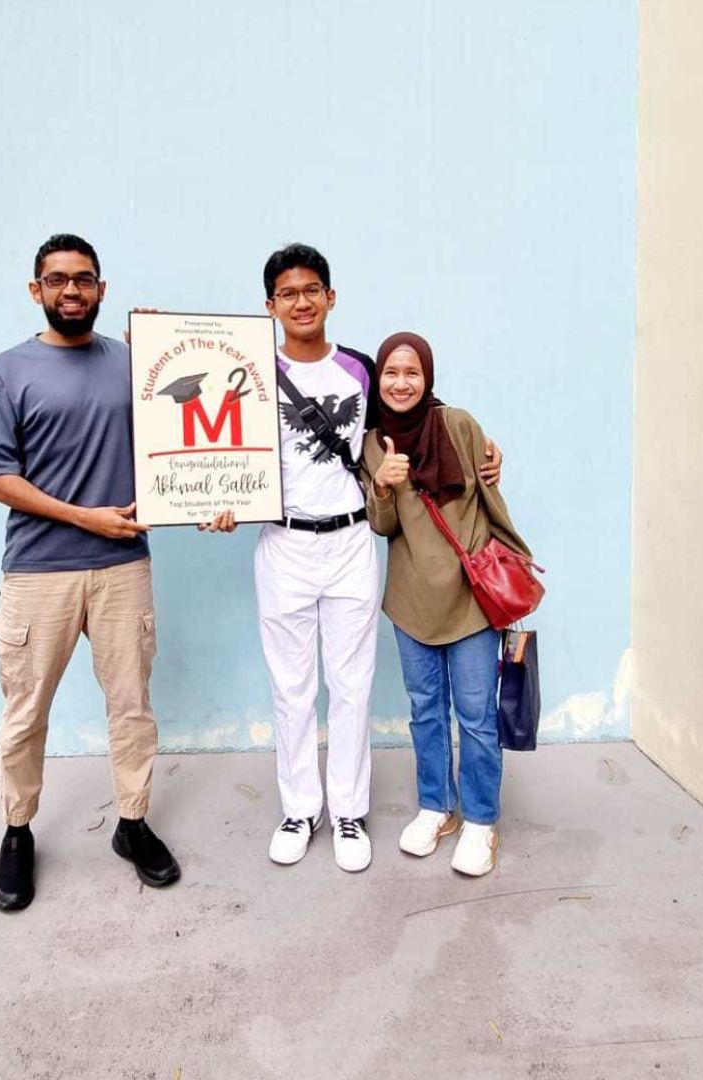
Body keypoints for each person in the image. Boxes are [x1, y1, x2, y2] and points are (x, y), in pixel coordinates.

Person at [240, 246, 503, 873]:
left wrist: (485, 451)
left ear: (331, 297)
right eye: (287, 293)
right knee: (291, 688)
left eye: (312, 289)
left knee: (352, 685)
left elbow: (416, 408)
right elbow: (216, 442)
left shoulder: (360, 369)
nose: (301, 302)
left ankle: (350, 811)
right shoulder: (250, 371)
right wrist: (217, 499)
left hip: (352, 542)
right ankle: (300, 809)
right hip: (283, 544)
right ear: (269, 305)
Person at [0, 233, 180, 912]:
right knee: (26, 712)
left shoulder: (130, 364)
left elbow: (185, 437)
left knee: (132, 706)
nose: (71, 290)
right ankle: (17, 831)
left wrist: (163, 348)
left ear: (101, 289)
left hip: (123, 566)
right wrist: (83, 517)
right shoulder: (6, 372)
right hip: (39, 569)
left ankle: (132, 821)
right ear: (37, 290)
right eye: (57, 279)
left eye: (83, 279)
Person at [362, 331, 533, 877]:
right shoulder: (373, 444)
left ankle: (481, 819)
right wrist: (382, 487)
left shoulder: (458, 425)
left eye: (412, 372)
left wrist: (513, 565)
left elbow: (490, 497)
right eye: (391, 373)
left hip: (470, 599)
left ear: (427, 377)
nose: (401, 383)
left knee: (477, 716)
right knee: (426, 711)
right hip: (412, 598)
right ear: (378, 380)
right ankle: (437, 807)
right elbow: (382, 526)